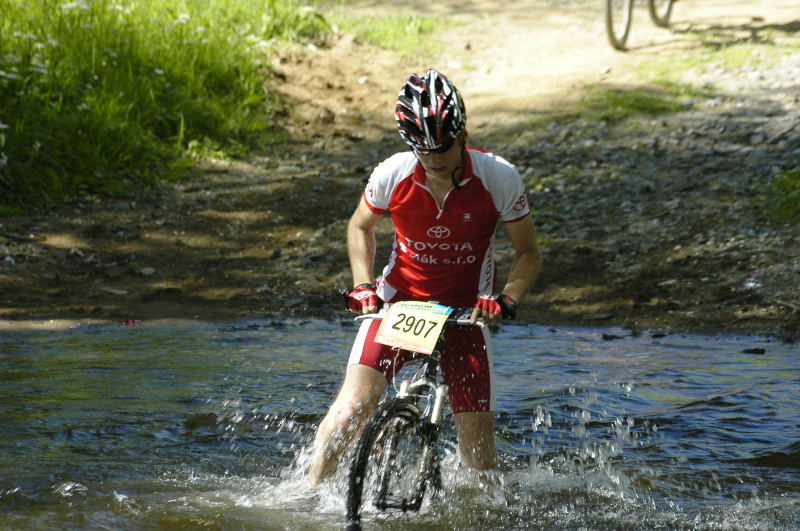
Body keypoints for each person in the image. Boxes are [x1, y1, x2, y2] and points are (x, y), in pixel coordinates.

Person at [308, 68, 541, 486]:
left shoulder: (498, 176)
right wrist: (364, 286)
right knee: (352, 407)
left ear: (462, 132)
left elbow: (528, 252)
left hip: (467, 315)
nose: (434, 160)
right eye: (423, 150)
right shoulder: (393, 172)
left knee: (480, 462)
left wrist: (507, 297)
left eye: (443, 148)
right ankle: (310, 495)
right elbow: (359, 226)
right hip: (400, 305)